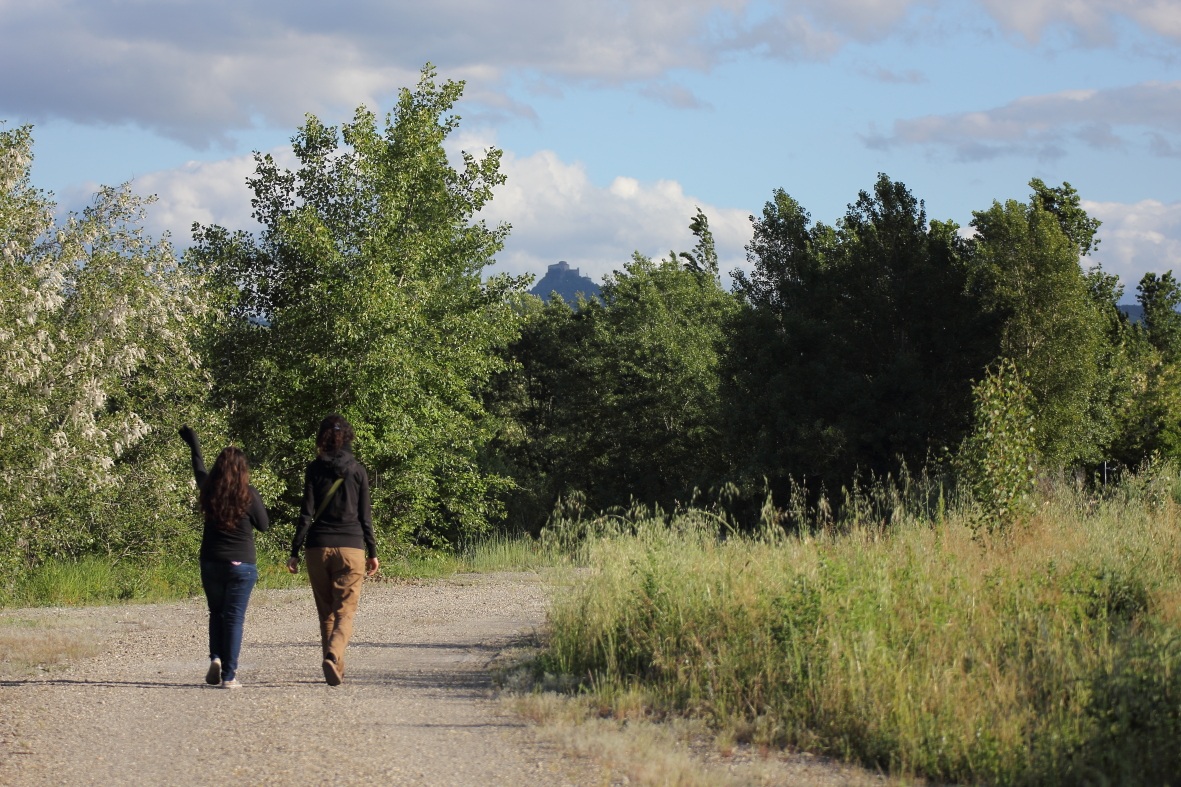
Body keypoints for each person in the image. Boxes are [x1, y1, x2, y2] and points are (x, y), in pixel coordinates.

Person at [287, 414, 379, 686]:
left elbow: (306, 514)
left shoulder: (314, 469)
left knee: (326, 612)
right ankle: (334, 654)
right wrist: (372, 551)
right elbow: (365, 517)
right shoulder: (358, 470)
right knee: (345, 612)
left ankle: (335, 666)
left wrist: (295, 549)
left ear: (321, 438)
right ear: (348, 437)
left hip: (317, 547)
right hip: (351, 546)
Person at [179, 426, 269, 689]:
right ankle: (229, 676)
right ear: (243, 470)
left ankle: (216, 657)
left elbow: (198, 467)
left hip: (211, 562)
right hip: (241, 565)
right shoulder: (248, 494)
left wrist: (194, 444)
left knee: (216, 612)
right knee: (234, 617)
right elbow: (263, 526)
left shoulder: (209, 490)